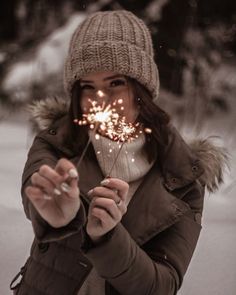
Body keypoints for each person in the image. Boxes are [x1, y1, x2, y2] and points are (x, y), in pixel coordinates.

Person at [10, 10, 226, 295]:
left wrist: (108, 238)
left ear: (142, 89)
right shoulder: (56, 142)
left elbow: (161, 286)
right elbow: (34, 189)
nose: (101, 100)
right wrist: (60, 217)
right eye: (88, 87)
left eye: (115, 83)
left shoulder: (182, 176)